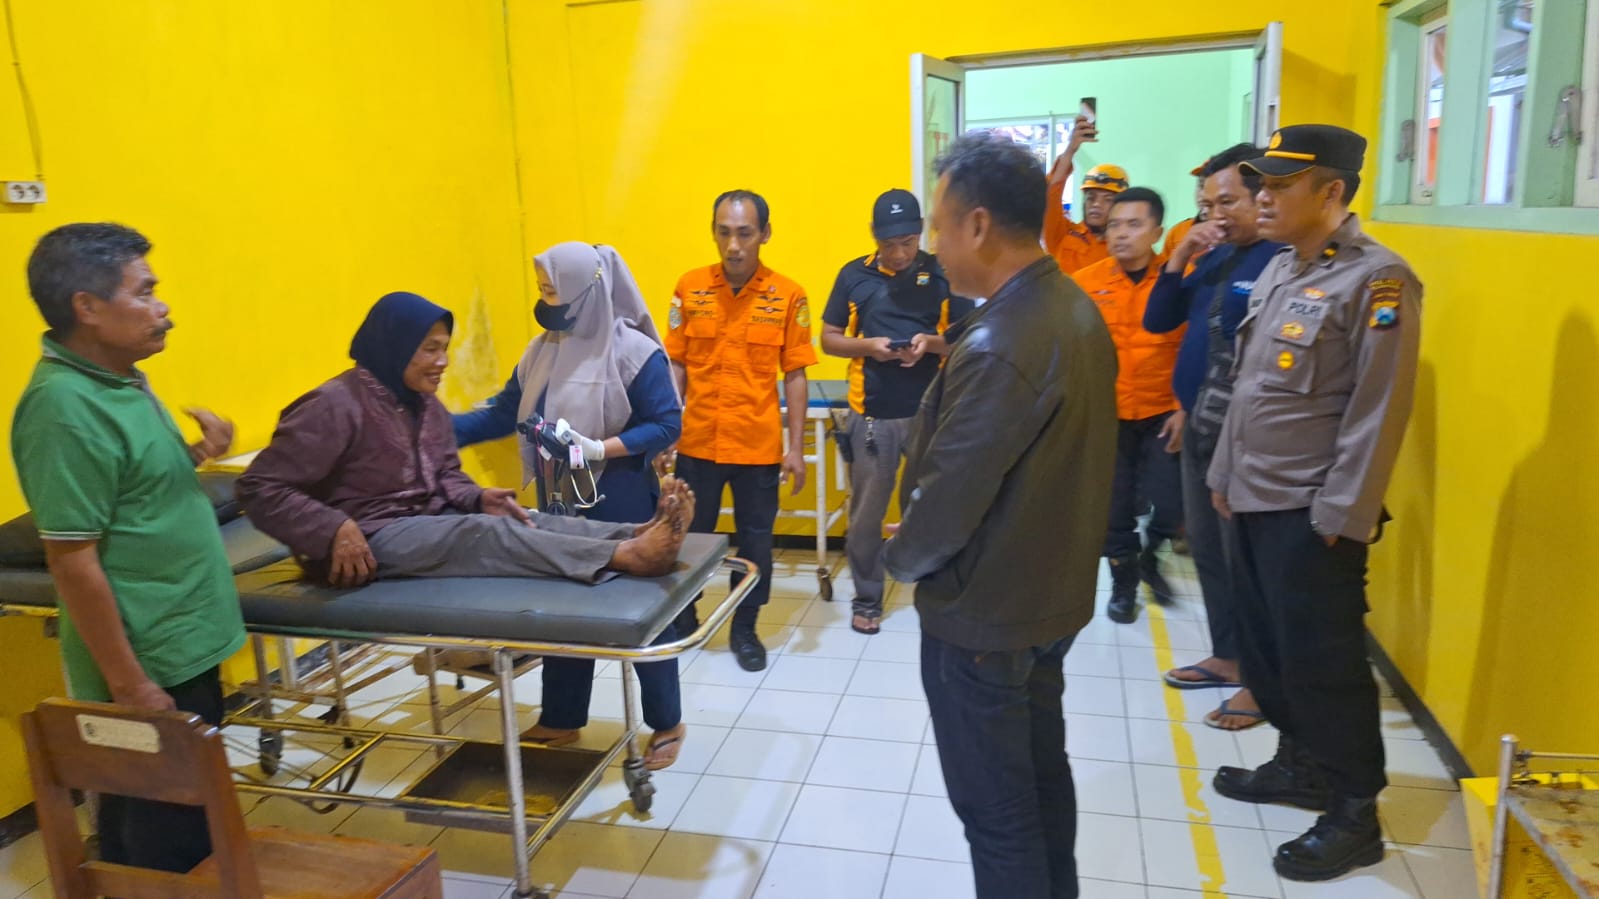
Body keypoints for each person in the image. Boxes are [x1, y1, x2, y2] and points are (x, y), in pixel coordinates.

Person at [883, 133, 1117, 899]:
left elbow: (949, 494)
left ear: (978, 224)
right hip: (1047, 596)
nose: (933, 246)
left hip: (986, 614)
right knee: (1040, 779)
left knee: (998, 816)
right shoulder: (1069, 307)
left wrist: (897, 559)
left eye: (939, 226)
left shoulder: (1000, 342)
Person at [1207, 125, 1422, 882]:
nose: (1261, 197)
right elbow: (1249, 387)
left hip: (1311, 512)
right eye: (1261, 183)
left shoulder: (1378, 280)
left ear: (1331, 190)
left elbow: (1377, 411)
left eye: (1278, 185)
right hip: (1253, 497)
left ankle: (1355, 812)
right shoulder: (1280, 268)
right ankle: (1299, 765)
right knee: (1268, 652)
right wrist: (1223, 473)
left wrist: (1340, 516)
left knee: (1324, 664)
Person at [11, 223, 243, 873]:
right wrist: (131, 683)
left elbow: (130, 495)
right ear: (87, 306)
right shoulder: (62, 409)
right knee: (165, 838)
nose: (162, 307)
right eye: (144, 292)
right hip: (149, 659)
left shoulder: (120, 379)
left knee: (169, 819)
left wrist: (198, 454)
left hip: (183, 639)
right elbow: (72, 559)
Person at [237, 291, 692, 592]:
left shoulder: (424, 404)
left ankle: (633, 534)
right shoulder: (334, 404)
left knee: (524, 518)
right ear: (394, 348)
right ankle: (625, 556)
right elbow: (259, 487)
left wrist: (476, 497)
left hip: (425, 525)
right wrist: (334, 529)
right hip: (366, 539)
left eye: (444, 348)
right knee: (486, 532)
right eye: (430, 349)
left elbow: (444, 474)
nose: (443, 362)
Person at [453, 242, 687, 768]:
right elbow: (506, 412)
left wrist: (601, 448)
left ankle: (667, 721)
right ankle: (562, 716)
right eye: (541, 289)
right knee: (563, 607)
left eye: (552, 290)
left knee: (640, 612)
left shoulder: (633, 353)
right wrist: (439, 428)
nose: (545, 300)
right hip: (559, 501)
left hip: (621, 498)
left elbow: (667, 422)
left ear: (586, 290)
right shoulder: (542, 351)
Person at [1145, 144, 1285, 732]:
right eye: (1207, 205)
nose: (1216, 216)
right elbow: (1159, 319)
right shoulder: (1218, 256)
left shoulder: (1280, 261)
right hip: (1200, 422)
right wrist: (1180, 255)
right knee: (1207, 550)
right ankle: (1228, 656)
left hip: (1246, 439)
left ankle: (1262, 682)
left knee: (1246, 561)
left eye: (1227, 202)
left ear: (1262, 197)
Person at [664, 190, 816, 672]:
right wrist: (666, 430)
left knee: (755, 544)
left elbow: (795, 374)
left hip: (757, 447)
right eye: (724, 232)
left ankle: (744, 628)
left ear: (764, 234)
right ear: (714, 232)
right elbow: (676, 365)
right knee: (690, 537)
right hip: (698, 442)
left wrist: (795, 448)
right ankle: (684, 617)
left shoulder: (788, 295)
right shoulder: (690, 288)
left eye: (744, 233)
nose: (733, 245)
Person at [820, 189, 973, 635]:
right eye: (889, 244)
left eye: (907, 242)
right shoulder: (854, 276)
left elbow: (966, 340)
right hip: (871, 416)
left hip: (931, 414)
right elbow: (828, 339)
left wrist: (930, 344)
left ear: (920, 232)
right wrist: (869, 347)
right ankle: (868, 599)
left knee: (935, 507)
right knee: (866, 517)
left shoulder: (944, 273)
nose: (900, 253)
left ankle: (937, 588)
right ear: (874, 235)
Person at [1070, 186, 1184, 624]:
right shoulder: (1086, 283)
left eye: (1134, 225)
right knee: (1112, 510)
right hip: (1108, 416)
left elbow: (1191, 348)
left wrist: (1183, 407)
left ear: (1156, 231)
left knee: (1173, 504)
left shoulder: (1178, 281)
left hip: (1163, 413)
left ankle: (1151, 554)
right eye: (1115, 224)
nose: (1121, 233)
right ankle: (1124, 583)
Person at [1042, 113, 1125, 276]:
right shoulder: (1062, 233)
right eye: (1091, 198)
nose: (1096, 204)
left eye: (1107, 200)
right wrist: (1070, 150)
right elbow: (1051, 194)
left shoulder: (1124, 246)